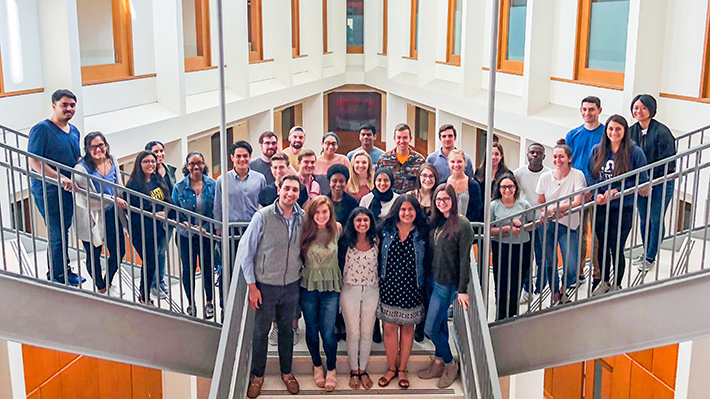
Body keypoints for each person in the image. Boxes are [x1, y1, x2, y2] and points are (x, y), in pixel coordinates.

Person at [239, 175, 305, 398]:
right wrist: (252, 286)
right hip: (265, 286)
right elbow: (246, 253)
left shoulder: (302, 217)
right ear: (278, 189)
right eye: (287, 188)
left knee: (287, 331)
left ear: (299, 193)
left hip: (291, 285)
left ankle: (287, 373)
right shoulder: (263, 216)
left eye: (295, 190)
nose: (290, 193)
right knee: (261, 332)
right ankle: (258, 376)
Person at [27, 89, 85, 286]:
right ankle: (57, 276)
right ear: (54, 106)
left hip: (69, 189)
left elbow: (75, 158)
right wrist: (60, 178)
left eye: (72, 105)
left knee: (64, 229)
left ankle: (64, 269)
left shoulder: (74, 131)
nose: (69, 109)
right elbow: (34, 162)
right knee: (57, 231)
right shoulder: (41, 129)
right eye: (64, 105)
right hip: (49, 189)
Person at [419, 185, 473, 388]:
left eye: (445, 199)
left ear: (453, 199)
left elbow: (464, 259)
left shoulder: (462, 224)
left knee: (430, 328)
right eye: (438, 199)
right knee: (440, 324)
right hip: (432, 280)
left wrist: (462, 290)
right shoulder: (436, 222)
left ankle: (450, 364)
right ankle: (439, 361)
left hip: (447, 284)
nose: (442, 202)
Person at [588, 115, 648, 295]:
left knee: (617, 246)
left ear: (624, 131)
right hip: (601, 206)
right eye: (610, 129)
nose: (613, 133)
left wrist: (616, 190)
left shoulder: (634, 152)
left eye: (618, 129)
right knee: (602, 245)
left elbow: (641, 179)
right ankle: (604, 281)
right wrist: (596, 193)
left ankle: (617, 284)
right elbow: (591, 176)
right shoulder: (597, 150)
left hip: (623, 207)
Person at [376, 195, 428, 389]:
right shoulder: (385, 230)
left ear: (417, 211)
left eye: (411, 209)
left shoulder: (423, 232)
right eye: (403, 209)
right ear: (397, 210)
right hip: (388, 287)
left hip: (412, 288)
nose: (407, 213)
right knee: (389, 328)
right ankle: (391, 368)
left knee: (407, 329)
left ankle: (402, 369)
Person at [214, 140, 266, 314]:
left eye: (245, 156)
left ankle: (254, 303)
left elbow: (264, 205)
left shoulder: (260, 179)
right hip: (231, 233)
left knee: (254, 268)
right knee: (228, 270)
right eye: (238, 156)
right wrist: (219, 230)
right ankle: (226, 307)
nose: (242, 159)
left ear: (250, 157)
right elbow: (218, 206)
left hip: (253, 231)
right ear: (232, 158)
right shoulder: (222, 180)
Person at [73, 131, 127, 296]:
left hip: (112, 213)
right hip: (90, 217)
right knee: (93, 254)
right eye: (93, 147)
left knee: (119, 251)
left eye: (101, 145)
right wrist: (111, 199)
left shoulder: (113, 161)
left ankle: (108, 280)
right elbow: (84, 199)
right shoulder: (81, 169)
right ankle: (101, 287)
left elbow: (119, 187)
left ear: (106, 145)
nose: (98, 149)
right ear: (87, 149)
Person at [299, 196, 343, 392]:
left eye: (324, 212)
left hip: (331, 289)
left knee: (328, 332)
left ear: (330, 213)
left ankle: (331, 368)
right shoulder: (304, 231)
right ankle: (317, 365)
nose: (321, 216)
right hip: (308, 287)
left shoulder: (338, 229)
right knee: (311, 330)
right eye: (317, 212)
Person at [629, 94, 676, 272]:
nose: (638, 111)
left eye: (643, 107)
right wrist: (641, 183)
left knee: (655, 219)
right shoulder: (631, 131)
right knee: (644, 218)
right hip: (640, 185)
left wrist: (650, 182)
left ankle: (650, 256)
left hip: (661, 182)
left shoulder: (662, 132)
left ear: (651, 110)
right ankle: (645, 250)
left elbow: (668, 163)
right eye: (635, 107)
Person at [536, 140, 586, 304]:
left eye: (561, 157)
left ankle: (564, 288)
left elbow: (578, 201)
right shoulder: (545, 177)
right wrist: (549, 211)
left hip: (569, 226)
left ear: (569, 158)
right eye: (555, 157)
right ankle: (556, 293)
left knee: (571, 266)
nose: (558, 160)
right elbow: (541, 203)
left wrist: (555, 208)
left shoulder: (577, 175)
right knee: (551, 263)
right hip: (548, 226)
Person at [124, 151, 175, 305]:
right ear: (139, 164)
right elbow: (132, 210)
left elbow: (168, 201)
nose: (150, 164)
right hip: (142, 232)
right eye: (146, 161)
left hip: (158, 229)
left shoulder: (157, 180)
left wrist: (165, 212)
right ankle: (144, 295)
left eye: (152, 161)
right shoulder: (133, 185)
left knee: (152, 262)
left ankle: (144, 294)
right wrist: (154, 214)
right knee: (150, 261)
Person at [338, 207, 379, 390]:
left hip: (372, 289)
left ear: (370, 222)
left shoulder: (377, 241)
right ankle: (354, 370)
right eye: (358, 220)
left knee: (367, 332)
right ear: (352, 223)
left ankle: (363, 369)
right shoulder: (345, 242)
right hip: (349, 290)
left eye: (365, 220)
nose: (362, 223)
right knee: (353, 332)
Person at [172, 151, 216, 319]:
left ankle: (209, 302)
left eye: (199, 163)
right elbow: (175, 211)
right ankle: (191, 302)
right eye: (192, 163)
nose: (196, 167)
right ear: (187, 166)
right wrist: (187, 225)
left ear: (204, 165)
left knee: (207, 269)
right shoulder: (179, 187)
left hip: (206, 234)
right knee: (188, 269)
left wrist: (205, 226)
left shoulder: (212, 184)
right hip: (185, 235)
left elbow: (216, 210)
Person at [566, 96, 605, 284]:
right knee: (578, 234)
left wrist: (592, 189)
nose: (587, 113)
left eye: (591, 109)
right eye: (584, 109)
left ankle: (597, 275)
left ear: (599, 110)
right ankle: (578, 273)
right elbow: (568, 164)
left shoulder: (606, 134)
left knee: (596, 235)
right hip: (577, 193)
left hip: (598, 192)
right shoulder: (572, 135)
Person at [490, 173, 532, 320]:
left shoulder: (524, 205)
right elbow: (489, 229)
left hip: (521, 248)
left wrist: (523, 225)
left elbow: (532, 226)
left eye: (510, 186)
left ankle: (512, 315)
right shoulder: (493, 205)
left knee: (517, 281)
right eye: (504, 187)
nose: (507, 190)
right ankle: (500, 316)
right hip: (501, 247)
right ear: (499, 188)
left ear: (515, 188)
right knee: (501, 282)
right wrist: (508, 228)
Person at [513, 143, 551, 302]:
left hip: (543, 221)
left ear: (544, 156)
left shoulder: (549, 173)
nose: (535, 155)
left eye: (538, 153)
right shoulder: (518, 173)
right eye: (532, 152)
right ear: (527, 155)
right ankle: (527, 289)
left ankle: (540, 289)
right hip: (525, 222)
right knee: (526, 257)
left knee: (542, 257)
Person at [146, 141, 178, 299]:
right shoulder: (148, 173)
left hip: (170, 217)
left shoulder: (169, 169)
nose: (159, 155)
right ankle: (153, 283)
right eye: (155, 152)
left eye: (161, 151)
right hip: (154, 219)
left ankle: (160, 281)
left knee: (162, 251)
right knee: (154, 251)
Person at [376, 123, 425, 194]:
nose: (402, 141)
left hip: (411, 202)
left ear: (410, 139)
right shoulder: (384, 160)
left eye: (405, 138)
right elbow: (377, 181)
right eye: (399, 138)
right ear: (394, 139)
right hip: (390, 202)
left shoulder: (419, 161)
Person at [474, 142, 511, 220]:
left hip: (499, 212)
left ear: (501, 156)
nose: (493, 157)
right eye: (491, 154)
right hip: (481, 212)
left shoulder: (507, 174)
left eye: (497, 154)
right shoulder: (479, 172)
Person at [446, 150, 483, 222]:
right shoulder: (444, 184)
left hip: (467, 228)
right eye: (452, 162)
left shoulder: (473, 185)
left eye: (459, 161)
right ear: (448, 164)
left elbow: (476, 210)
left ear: (465, 163)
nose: (456, 165)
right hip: (447, 227)